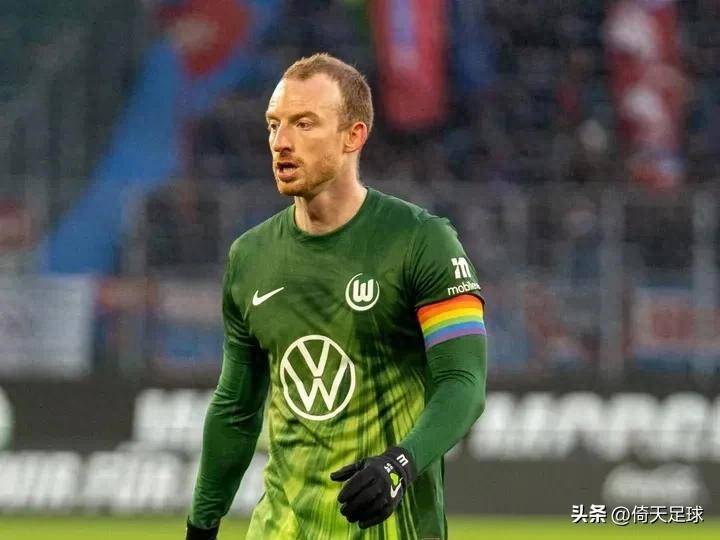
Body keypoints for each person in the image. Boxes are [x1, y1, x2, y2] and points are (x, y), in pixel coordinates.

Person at [186, 53, 487, 540]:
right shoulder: (249, 257)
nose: (281, 142)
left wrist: (399, 464)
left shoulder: (421, 241)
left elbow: (463, 383)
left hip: (392, 528)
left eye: (304, 124)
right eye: (274, 125)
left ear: (353, 136)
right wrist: (201, 526)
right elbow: (236, 409)